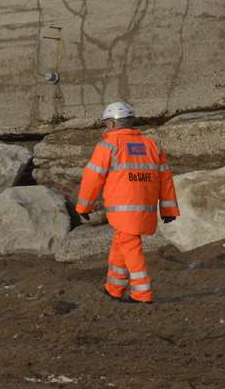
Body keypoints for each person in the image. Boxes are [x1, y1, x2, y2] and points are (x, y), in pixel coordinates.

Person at [75, 101, 178, 304]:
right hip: (145, 207)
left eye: (106, 124)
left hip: (122, 208)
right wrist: (168, 209)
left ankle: (142, 293)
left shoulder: (108, 145)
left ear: (113, 124)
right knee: (120, 244)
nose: (105, 128)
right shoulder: (152, 146)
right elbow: (165, 179)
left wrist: (83, 206)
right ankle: (113, 288)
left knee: (130, 246)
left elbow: (92, 178)